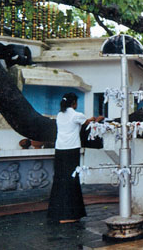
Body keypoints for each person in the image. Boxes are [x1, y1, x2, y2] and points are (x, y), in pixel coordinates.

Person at [47, 92, 104, 223]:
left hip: (59, 149)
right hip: (71, 150)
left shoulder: (60, 115)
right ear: (74, 103)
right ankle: (69, 215)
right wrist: (98, 120)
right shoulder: (77, 115)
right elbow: (88, 124)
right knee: (72, 179)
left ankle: (57, 213)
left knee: (60, 179)